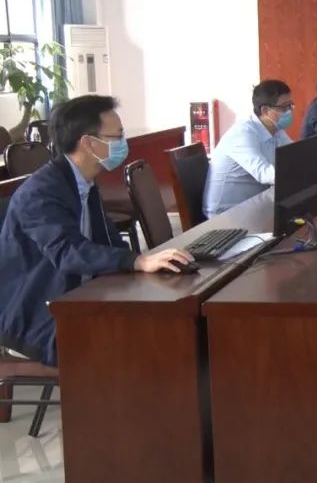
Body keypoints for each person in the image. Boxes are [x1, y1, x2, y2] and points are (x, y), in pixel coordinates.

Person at [0, 96, 193, 366]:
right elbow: (68, 253)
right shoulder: (41, 192)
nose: (123, 143)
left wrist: (147, 264)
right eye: (117, 136)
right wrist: (136, 261)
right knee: (142, 348)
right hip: (34, 315)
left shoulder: (82, 183)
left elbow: (109, 243)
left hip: (76, 298)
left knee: (166, 330)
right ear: (88, 143)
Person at [204, 80, 294, 217]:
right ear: (265, 110)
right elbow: (264, 173)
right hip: (225, 214)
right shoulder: (243, 133)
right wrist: (303, 176)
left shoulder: (276, 130)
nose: (289, 111)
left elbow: (296, 155)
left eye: (290, 105)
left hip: (254, 204)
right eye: (284, 107)